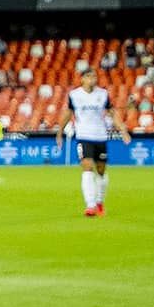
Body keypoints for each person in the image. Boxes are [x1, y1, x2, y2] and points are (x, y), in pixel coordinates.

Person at [54, 68, 132, 217]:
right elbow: (68, 113)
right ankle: (90, 205)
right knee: (87, 166)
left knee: (101, 170)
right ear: (82, 79)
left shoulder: (102, 94)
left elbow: (112, 112)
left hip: (100, 136)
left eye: (94, 77)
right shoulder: (74, 95)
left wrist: (122, 130)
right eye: (89, 77)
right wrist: (59, 132)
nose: (92, 80)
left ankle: (99, 201)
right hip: (83, 136)